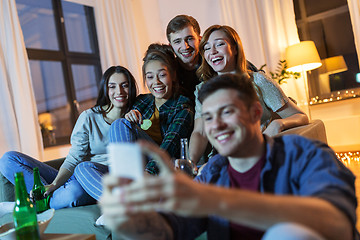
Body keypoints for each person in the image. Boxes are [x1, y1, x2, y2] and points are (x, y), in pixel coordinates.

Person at [99, 74, 358, 240]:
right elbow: (166, 231)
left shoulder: (304, 155)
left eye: (227, 112)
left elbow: (338, 224)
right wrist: (129, 221)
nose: (217, 125)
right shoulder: (213, 173)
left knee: (288, 233)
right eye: (209, 117)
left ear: (256, 113)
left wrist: (213, 200)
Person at [0, 65, 138, 209]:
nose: (119, 91)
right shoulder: (89, 117)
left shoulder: (136, 116)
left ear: (131, 88)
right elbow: (74, 159)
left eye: (125, 86)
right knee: (7, 160)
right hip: (79, 174)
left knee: (74, 192)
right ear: (106, 89)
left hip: (92, 183)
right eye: (112, 86)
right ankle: (43, 196)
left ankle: (35, 204)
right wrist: (53, 185)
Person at [189, 25, 309, 166]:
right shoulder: (203, 89)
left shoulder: (258, 81)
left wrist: (278, 124)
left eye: (220, 44)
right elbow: (200, 133)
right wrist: (190, 163)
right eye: (207, 48)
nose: (213, 51)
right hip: (221, 160)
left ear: (234, 48)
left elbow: (301, 116)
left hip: (256, 154)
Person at [109, 43, 194, 175]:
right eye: (150, 77)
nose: (156, 82)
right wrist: (129, 116)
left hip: (163, 165)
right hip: (137, 165)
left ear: (173, 76)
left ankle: (130, 188)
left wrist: (148, 174)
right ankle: (127, 189)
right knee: (83, 168)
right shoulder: (142, 101)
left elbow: (168, 147)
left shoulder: (183, 107)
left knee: (119, 124)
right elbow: (125, 136)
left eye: (162, 75)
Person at [166, 14, 202, 104]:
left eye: (189, 39)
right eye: (177, 41)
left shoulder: (214, 64)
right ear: (171, 46)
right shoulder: (168, 74)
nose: (185, 46)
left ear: (200, 40)